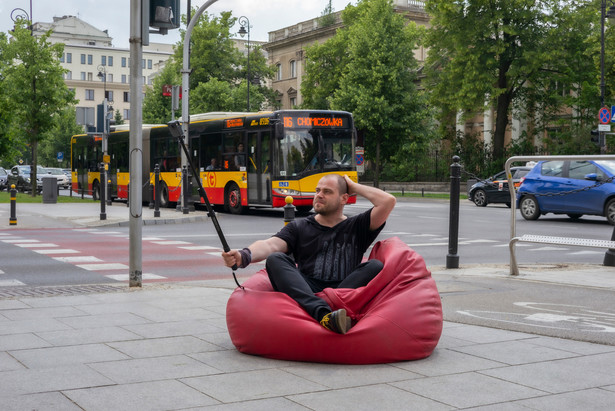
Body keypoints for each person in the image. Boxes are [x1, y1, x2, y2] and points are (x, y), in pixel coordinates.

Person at [222, 174, 396, 334]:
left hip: (344, 289)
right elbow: (271, 245)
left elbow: (387, 201)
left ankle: (328, 311)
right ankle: (323, 314)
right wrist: (244, 255)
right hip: (309, 288)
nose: (319, 195)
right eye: (317, 190)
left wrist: (353, 186)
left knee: (375, 266)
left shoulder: (358, 226)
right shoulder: (299, 227)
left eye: (327, 192)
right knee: (276, 259)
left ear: (344, 198)